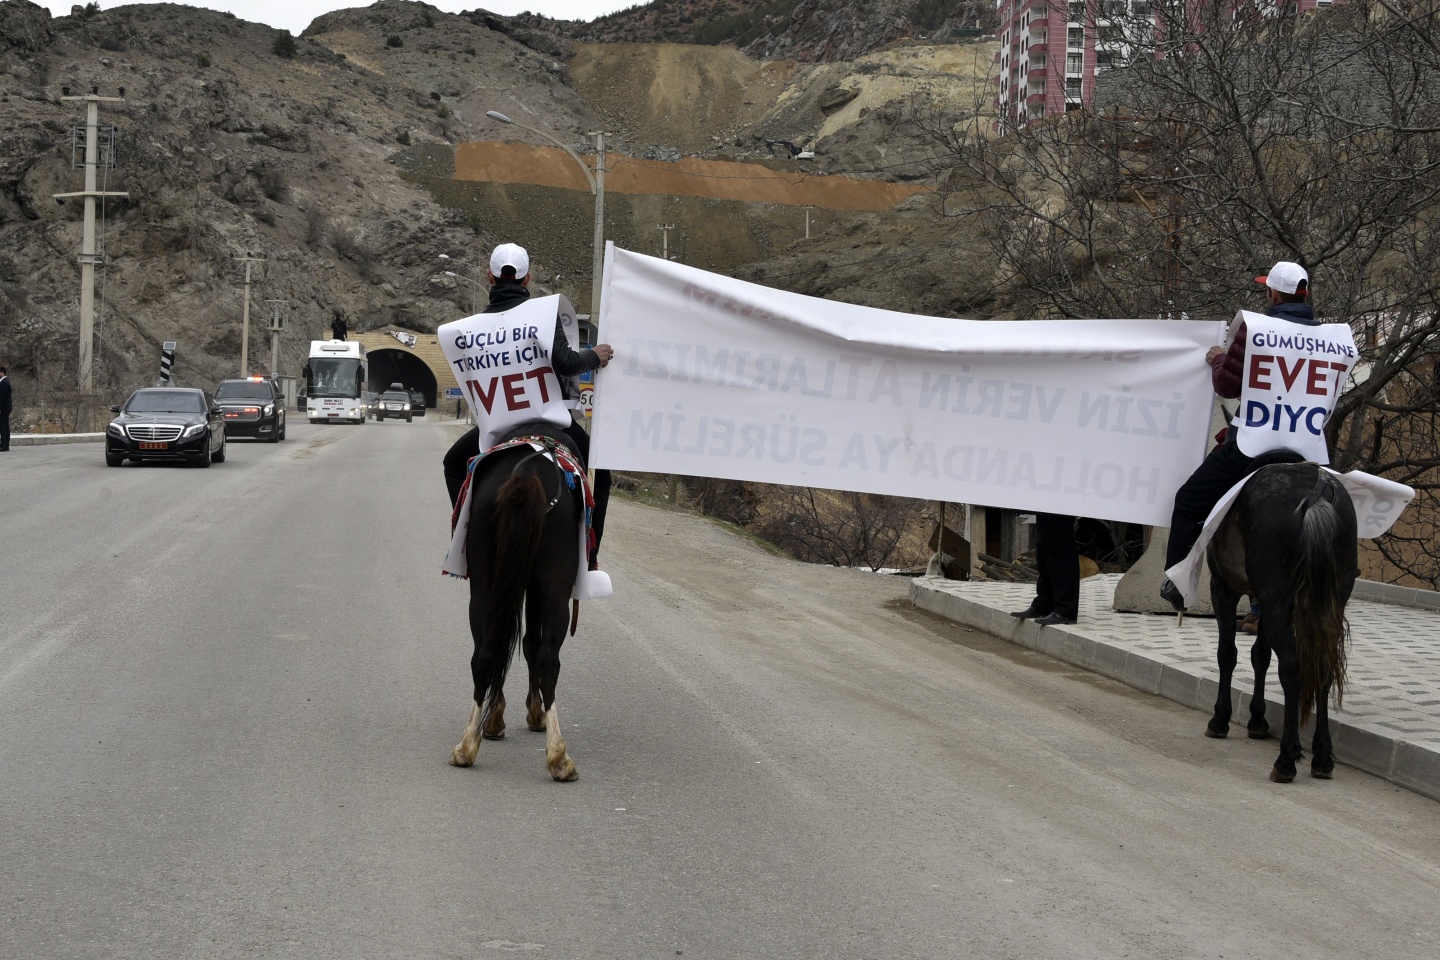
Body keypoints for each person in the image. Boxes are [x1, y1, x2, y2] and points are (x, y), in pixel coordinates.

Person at [1159, 261, 1323, 611]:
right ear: (1305, 294)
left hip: (1252, 445)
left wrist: (1219, 359)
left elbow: (1227, 385)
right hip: (1308, 450)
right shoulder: (1329, 337)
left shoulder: (1255, 330)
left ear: (1274, 294)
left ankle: (1177, 583)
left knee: (1188, 502)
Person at [442, 242, 615, 564]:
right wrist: (595, 355)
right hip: (549, 421)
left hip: (498, 427)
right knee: (600, 473)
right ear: (528, 279)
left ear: (489, 277)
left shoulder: (464, 331)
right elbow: (565, 362)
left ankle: (468, 541)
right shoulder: (542, 314)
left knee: (453, 464)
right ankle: (589, 558)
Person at [1010, 513, 1079, 626]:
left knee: (1061, 549)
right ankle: (1044, 605)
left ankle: (1065, 610)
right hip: (1046, 506)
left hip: (1062, 506)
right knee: (1044, 551)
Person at [0, 364, 11, 452]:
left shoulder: (4, 383)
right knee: (5, 426)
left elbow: (2, 397)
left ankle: (4, 445)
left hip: (3, 408)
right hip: (6, 407)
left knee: (2, 426)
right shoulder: (6, 381)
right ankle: (6, 444)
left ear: (2, 372)